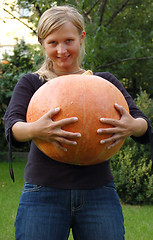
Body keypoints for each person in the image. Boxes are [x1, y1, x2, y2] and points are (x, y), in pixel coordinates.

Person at [4, 5, 153, 240]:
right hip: (43, 192)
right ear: (42, 43)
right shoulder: (32, 83)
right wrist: (36, 129)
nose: (61, 50)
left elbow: (142, 122)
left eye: (69, 40)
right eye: (53, 42)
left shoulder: (105, 82)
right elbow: (13, 127)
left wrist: (132, 126)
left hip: (98, 191)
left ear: (81, 38)